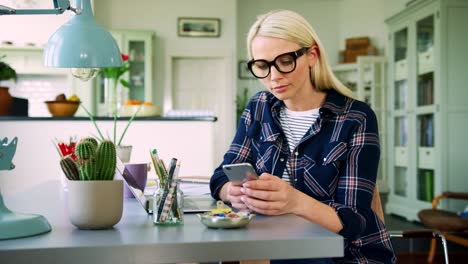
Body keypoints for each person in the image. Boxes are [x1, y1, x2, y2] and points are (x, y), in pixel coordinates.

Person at [209, 9, 396, 264]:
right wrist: (233, 192)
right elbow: (221, 175)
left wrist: (295, 201)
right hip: (272, 246)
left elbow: (355, 220)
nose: (274, 77)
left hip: (343, 253)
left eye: (285, 61)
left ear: (312, 55)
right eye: (262, 66)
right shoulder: (258, 107)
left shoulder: (356, 117)